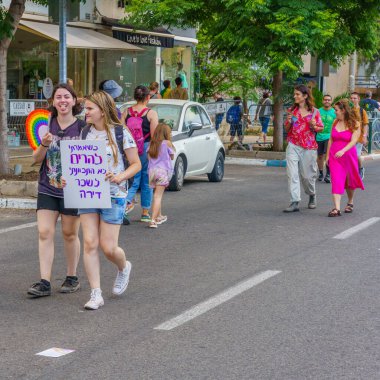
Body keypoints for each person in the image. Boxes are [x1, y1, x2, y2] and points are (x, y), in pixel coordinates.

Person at [78, 91, 141, 310]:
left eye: (89, 109)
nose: (85, 113)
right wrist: (70, 177)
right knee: (89, 243)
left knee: (108, 247)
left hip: (114, 194)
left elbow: (136, 164)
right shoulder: (84, 133)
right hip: (88, 192)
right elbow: (78, 162)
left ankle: (123, 267)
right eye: (85, 108)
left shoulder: (120, 132)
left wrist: (119, 176)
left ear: (102, 111)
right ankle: (96, 293)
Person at [27, 83, 86, 298]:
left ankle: (72, 277)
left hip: (72, 190)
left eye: (67, 97)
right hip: (47, 186)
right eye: (58, 97)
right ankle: (44, 281)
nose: (62, 100)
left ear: (74, 101)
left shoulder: (82, 128)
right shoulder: (46, 125)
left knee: (70, 234)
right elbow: (35, 160)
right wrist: (43, 144)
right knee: (44, 232)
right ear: (53, 102)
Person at [283, 84, 324, 213]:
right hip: (293, 145)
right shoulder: (291, 110)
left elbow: (320, 128)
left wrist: (314, 126)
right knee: (292, 174)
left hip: (309, 147)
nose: (295, 96)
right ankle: (294, 201)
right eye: (294, 94)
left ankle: (312, 194)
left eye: (297, 94)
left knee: (307, 176)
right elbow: (287, 129)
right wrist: (288, 122)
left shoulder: (315, 112)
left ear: (305, 96)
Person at [122, 85, 159, 224]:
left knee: (132, 178)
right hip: (146, 148)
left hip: (129, 148)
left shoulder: (126, 112)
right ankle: (145, 213)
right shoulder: (151, 114)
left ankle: (124, 205)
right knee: (147, 180)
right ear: (148, 97)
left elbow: (122, 131)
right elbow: (155, 135)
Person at [326, 99, 364, 217]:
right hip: (335, 156)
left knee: (349, 182)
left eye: (336, 110)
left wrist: (343, 150)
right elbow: (331, 139)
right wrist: (327, 156)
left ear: (343, 110)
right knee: (336, 179)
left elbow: (354, 141)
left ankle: (350, 201)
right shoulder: (334, 122)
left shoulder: (355, 123)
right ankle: (336, 208)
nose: (334, 112)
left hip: (348, 155)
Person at [147, 123, 175, 228]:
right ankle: (153, 220)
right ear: (166, 133)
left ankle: (159, 215)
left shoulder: (151, 143)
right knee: (158, 196)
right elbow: (172, 156)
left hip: (152, 171)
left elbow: (148, 158)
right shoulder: (167, 143)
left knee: (156, 194)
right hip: (162, 171)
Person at [317, 94, 336, 183]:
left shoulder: (334, 112)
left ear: (331, 101)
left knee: (327, 156)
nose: (327, 101)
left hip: (329, 137)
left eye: (328, 100)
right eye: (325, 100)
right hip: (319, 136)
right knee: (320, 156)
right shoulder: (318, 111)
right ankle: (321, 173)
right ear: (322, 101)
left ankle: (328, 174)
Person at [350, 92, 368, 179]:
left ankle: (361, 169)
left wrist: (364, 136)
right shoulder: (349, 110)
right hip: (349, 137)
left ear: (358, 99)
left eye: (355, 98)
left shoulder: (362, 111)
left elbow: (365, 124)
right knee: (350, 155)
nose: (353, 100)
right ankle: (352, 171)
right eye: (351, 98)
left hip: (359, 137)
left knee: (357, 155)